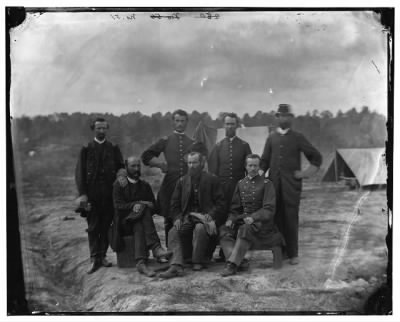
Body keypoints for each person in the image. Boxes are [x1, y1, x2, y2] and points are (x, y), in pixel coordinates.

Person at [260, 104, 322, 265]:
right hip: (274, 187)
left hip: (291, 188)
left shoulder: (298, 137)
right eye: (281, 116)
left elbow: (316, 157)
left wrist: (304, 174)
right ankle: (281, 252)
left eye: (287, 116)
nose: (284, 118)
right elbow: (264, 161)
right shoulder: (271, 138)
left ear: (291, 118)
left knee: (291, 219)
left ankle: (293, 254)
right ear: (277, 118)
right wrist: (260, 175)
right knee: (276, 219)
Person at [140, 110, 207, 244]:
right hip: (170, 185)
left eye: (183, 121)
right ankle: (171, 251)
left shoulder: (192, 142)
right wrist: (160, 165)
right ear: (173, 122)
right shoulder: (166, 140)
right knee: (169, 219)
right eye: (177, 121)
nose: (180, 124)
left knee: (188, 218)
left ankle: (186, 252)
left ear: (187, 122)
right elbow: (146, 156)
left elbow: (202, 160)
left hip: (188, 185)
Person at [159, 152, 225, 279]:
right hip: (188, 217)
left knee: (200, 229)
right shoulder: (182, 181)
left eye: (194, 162)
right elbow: (174, 203)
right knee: (173, 231)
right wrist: (177, 217)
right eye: (189, 163)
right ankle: (176, 265)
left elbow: (221, 203)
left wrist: (210, 216)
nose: (191, 166)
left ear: (201, 163)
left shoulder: (212, 179)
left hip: (205, 218)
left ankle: (198, 261)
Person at [219, 154, 284, 276]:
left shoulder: (267, 184)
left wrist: (253, 217)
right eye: (250, 165)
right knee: (224, 230)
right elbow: (235, 208)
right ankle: (241, 262)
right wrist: (231, 219)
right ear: (246, 167)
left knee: (245, 229)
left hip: (262, 223)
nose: (253, 168)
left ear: (259, 167)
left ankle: (232, 265)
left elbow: (269, 209)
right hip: (243, 220)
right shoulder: (240, 183)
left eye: (255, 165)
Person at [75, 117, 125, 274]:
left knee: (105, 225)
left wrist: (121, 175)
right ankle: (93, 258)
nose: (102, 131)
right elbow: (80, 173)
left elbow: (121, 167)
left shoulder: (113, 148)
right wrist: (83, 194)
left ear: (107, 129)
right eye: (99, 128)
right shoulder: (86, 149)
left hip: (109, 195)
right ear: (93, 129)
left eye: (104, 128)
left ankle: (102, 256)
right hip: (92, 195)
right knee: (92, 226)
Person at [112, 157, 171, 277]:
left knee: (139, 223)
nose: (136, 169)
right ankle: (156, 248)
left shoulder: (144, 185)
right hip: (124, 224)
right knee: (142, 211)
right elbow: (118, 206)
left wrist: (145, 205)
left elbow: (154, 207)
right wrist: (135, 205)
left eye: (138, 166)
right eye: (133, 166)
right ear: (126, 167)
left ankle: (141, 262)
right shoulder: (119, 185)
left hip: (139, 223)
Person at [208, 113, 252, 225]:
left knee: (238, 218)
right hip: (221, 190)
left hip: (239, 189)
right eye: (227, 124)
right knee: (221, 218)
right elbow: (213, 172)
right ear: (224, 125)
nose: (230, 126)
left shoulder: (244, 145)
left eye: (232, 124)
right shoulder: (218, 146)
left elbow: (250, 170)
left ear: (237, 125)